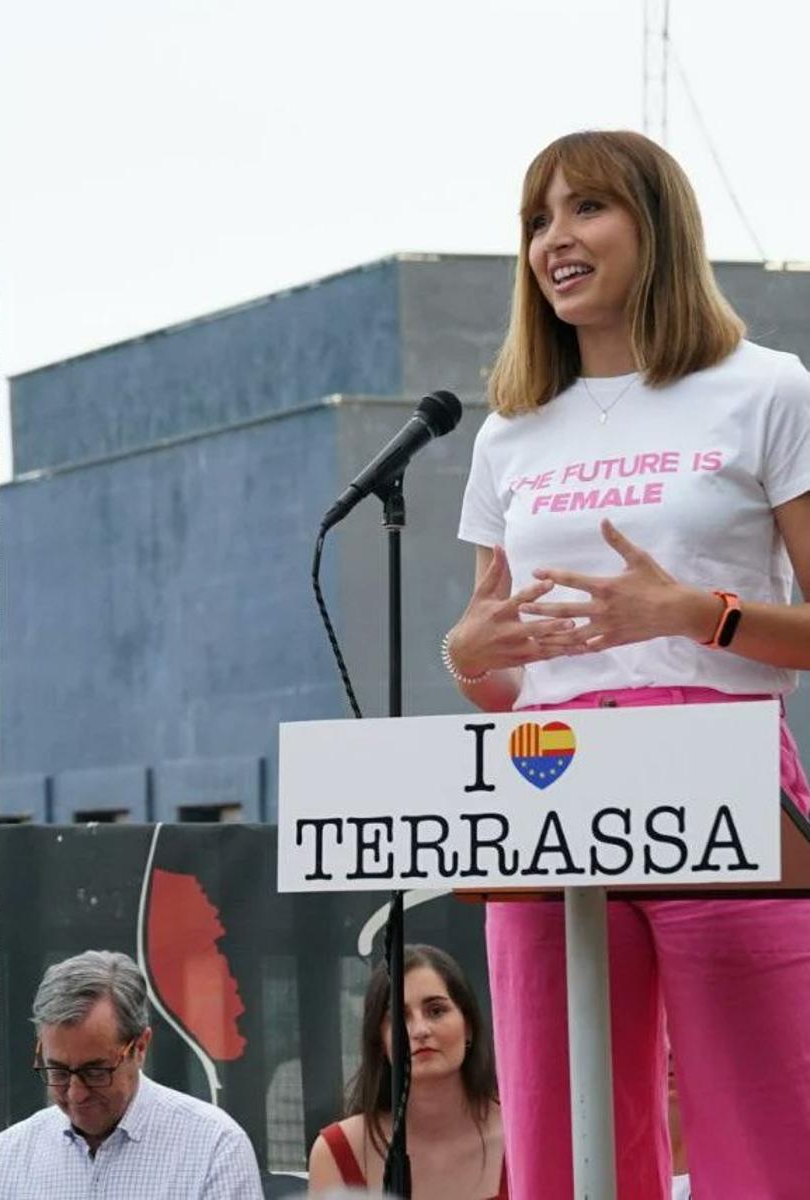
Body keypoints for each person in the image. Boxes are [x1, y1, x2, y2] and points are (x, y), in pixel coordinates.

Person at [444, 130, 810, 1199]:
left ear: (658, 226)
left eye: (586, 210)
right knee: (563, 1148)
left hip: (719, 770)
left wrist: (698, 613)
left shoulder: (766, 389)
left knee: (766, 1132)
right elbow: (492, 648)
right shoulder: (508, 431)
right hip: (545, 776)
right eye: (537, 221)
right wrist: (467, 658)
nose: (556, 239)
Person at [0, 949, 264, 1200]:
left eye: (95, 1071)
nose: (76, 1093)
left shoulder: (214, 1146)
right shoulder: (9, 1155)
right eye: (59, 1071)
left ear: (141, 1046)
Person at [307, 945, 506, 1199]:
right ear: (379, 1039)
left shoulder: (520, 1137)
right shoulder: (337, 1151)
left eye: (436, 1011)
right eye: (400, 1017)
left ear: (468, 1026)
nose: (420, 1030)